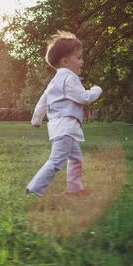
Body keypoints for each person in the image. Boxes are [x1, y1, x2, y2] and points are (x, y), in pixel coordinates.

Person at [25, 31, 102, 197]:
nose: (82, 62)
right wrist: (96, 90)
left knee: (75, 158)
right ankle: (33, 189)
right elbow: (84, 97)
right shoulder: (70, 78)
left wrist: (36, 119)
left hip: (59, 128)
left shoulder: (54, 82)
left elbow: (43, 101)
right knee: (56, 161)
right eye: (79, 58)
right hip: (66, 128)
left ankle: (74, 189)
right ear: (66, 61)